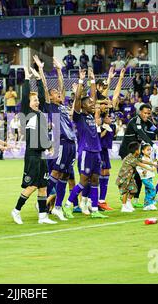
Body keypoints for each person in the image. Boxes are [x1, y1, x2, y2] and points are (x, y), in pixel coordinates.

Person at [10, 63, 55, 225]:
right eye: (34, 100)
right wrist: (29, 79)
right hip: (32, 155)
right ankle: (16, 210)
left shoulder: (40, 113)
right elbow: (25, 96)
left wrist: (39, 75)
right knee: (32, 186)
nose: (37, 102)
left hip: (42, 154)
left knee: (43, 186)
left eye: (37, 100)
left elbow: (43, 95)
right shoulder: (26, 113)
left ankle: (43, 216)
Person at [35, 56, 77, 221]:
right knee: (55, 172)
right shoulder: (49, 105)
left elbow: (62, 87)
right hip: (59, 142)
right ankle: (43, 204)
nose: (59, 94)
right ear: (50, 98)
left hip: (71, 143)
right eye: (55, 93)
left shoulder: (63, 105)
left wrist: (59, 70)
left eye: (59, 93)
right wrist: (40, 70)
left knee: (66, 175)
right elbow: (46, 89)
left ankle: (58, 207)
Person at [66, 68, 108, 219]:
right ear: (82, 106)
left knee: (95, 180)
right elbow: (78, 99)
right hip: (85, 151)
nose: (92, 104)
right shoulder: (79, 117)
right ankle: (68, 204)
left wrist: (92, 79)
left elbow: (94, 98)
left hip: (96, 151)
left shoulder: (91, 116)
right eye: (89, 103)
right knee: (84, 181)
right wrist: (80, 81)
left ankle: (95, 210)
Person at [117, 103, 158, 208]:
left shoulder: (147, 122)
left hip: (135, 152)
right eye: (145, 113)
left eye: (148, 113)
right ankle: (126, 201)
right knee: (130, 175)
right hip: (126, 152)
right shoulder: (135, 121)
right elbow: (141, 133)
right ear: (140, 112)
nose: (146, 115)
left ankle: (134, 200)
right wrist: (153, 145)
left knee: (138, 176)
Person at [116, 142, 157, 213]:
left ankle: (128, 203)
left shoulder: (135, 157)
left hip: (130, 178)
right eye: (139, 149)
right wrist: (150, 168)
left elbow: (142, 161)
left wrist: (152, 163)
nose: (140, 150)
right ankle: (124, 206)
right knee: (125, 192)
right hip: (124, 178)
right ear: (136, 151)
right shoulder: (131, 158)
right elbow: (140, 164)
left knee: (134, 190)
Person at [136, 144, 158, 211]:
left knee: (148, 191)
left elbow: (153, 168)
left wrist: (155, 162)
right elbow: (138, 167)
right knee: (153, 189)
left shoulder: (149, 158)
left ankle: (146, 205)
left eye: (150, 150)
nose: (149, 151)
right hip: (145, 178)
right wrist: (142, 172)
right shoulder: (142, 159)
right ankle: (150, 203)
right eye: (147, 150)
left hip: (150, 177)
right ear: (142, 151)